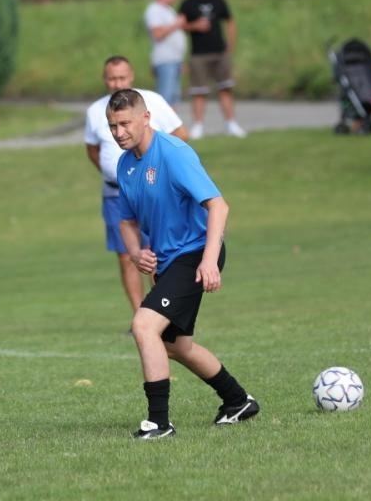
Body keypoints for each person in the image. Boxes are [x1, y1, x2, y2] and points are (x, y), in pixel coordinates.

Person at [105, 88, 258, 440]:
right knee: (175, 345)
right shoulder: (125, 164)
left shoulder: (174, 154)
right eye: (113, 125)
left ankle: (159, 423)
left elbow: (218, 205)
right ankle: (237, 401)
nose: (119, 132)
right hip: (169, 262)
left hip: (194, 254)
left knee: (144, 326)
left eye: (125, 123)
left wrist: (209, 261)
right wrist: (134, 252)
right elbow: (126, 220)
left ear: (146, 118)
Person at [83, 56, 187, 319]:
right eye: (111, 78)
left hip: (152, 192)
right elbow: (92, 149)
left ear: (131, 77)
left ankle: (165, 313)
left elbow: (180, 136)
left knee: (157, 255)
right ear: (104, 79)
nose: (117, 83)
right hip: (116, 193)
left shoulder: (151, 101)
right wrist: (118, 174)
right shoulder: (96, 110)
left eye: (122, 77)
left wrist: (157, 173)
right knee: (128, 256)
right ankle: (140, 314)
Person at [179, 0, 244, 138]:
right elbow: (180, 25)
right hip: (198, 53)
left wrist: (230, 45)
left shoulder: (218, 1)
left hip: (219, 51)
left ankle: (231, 124)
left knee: (226, 88)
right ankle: (198, 126)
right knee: (199, 91)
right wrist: (195, 26)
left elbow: (230, 22)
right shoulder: (188, 3)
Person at [144, 0, 188, 104]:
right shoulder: (154, 9)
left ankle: (171, 124)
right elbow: (157, 34)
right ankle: (160, 124)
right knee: (165, 99)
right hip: (165, 60)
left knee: (174, 98)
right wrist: (176, 24)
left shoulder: (169, 10)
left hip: (175, 60)